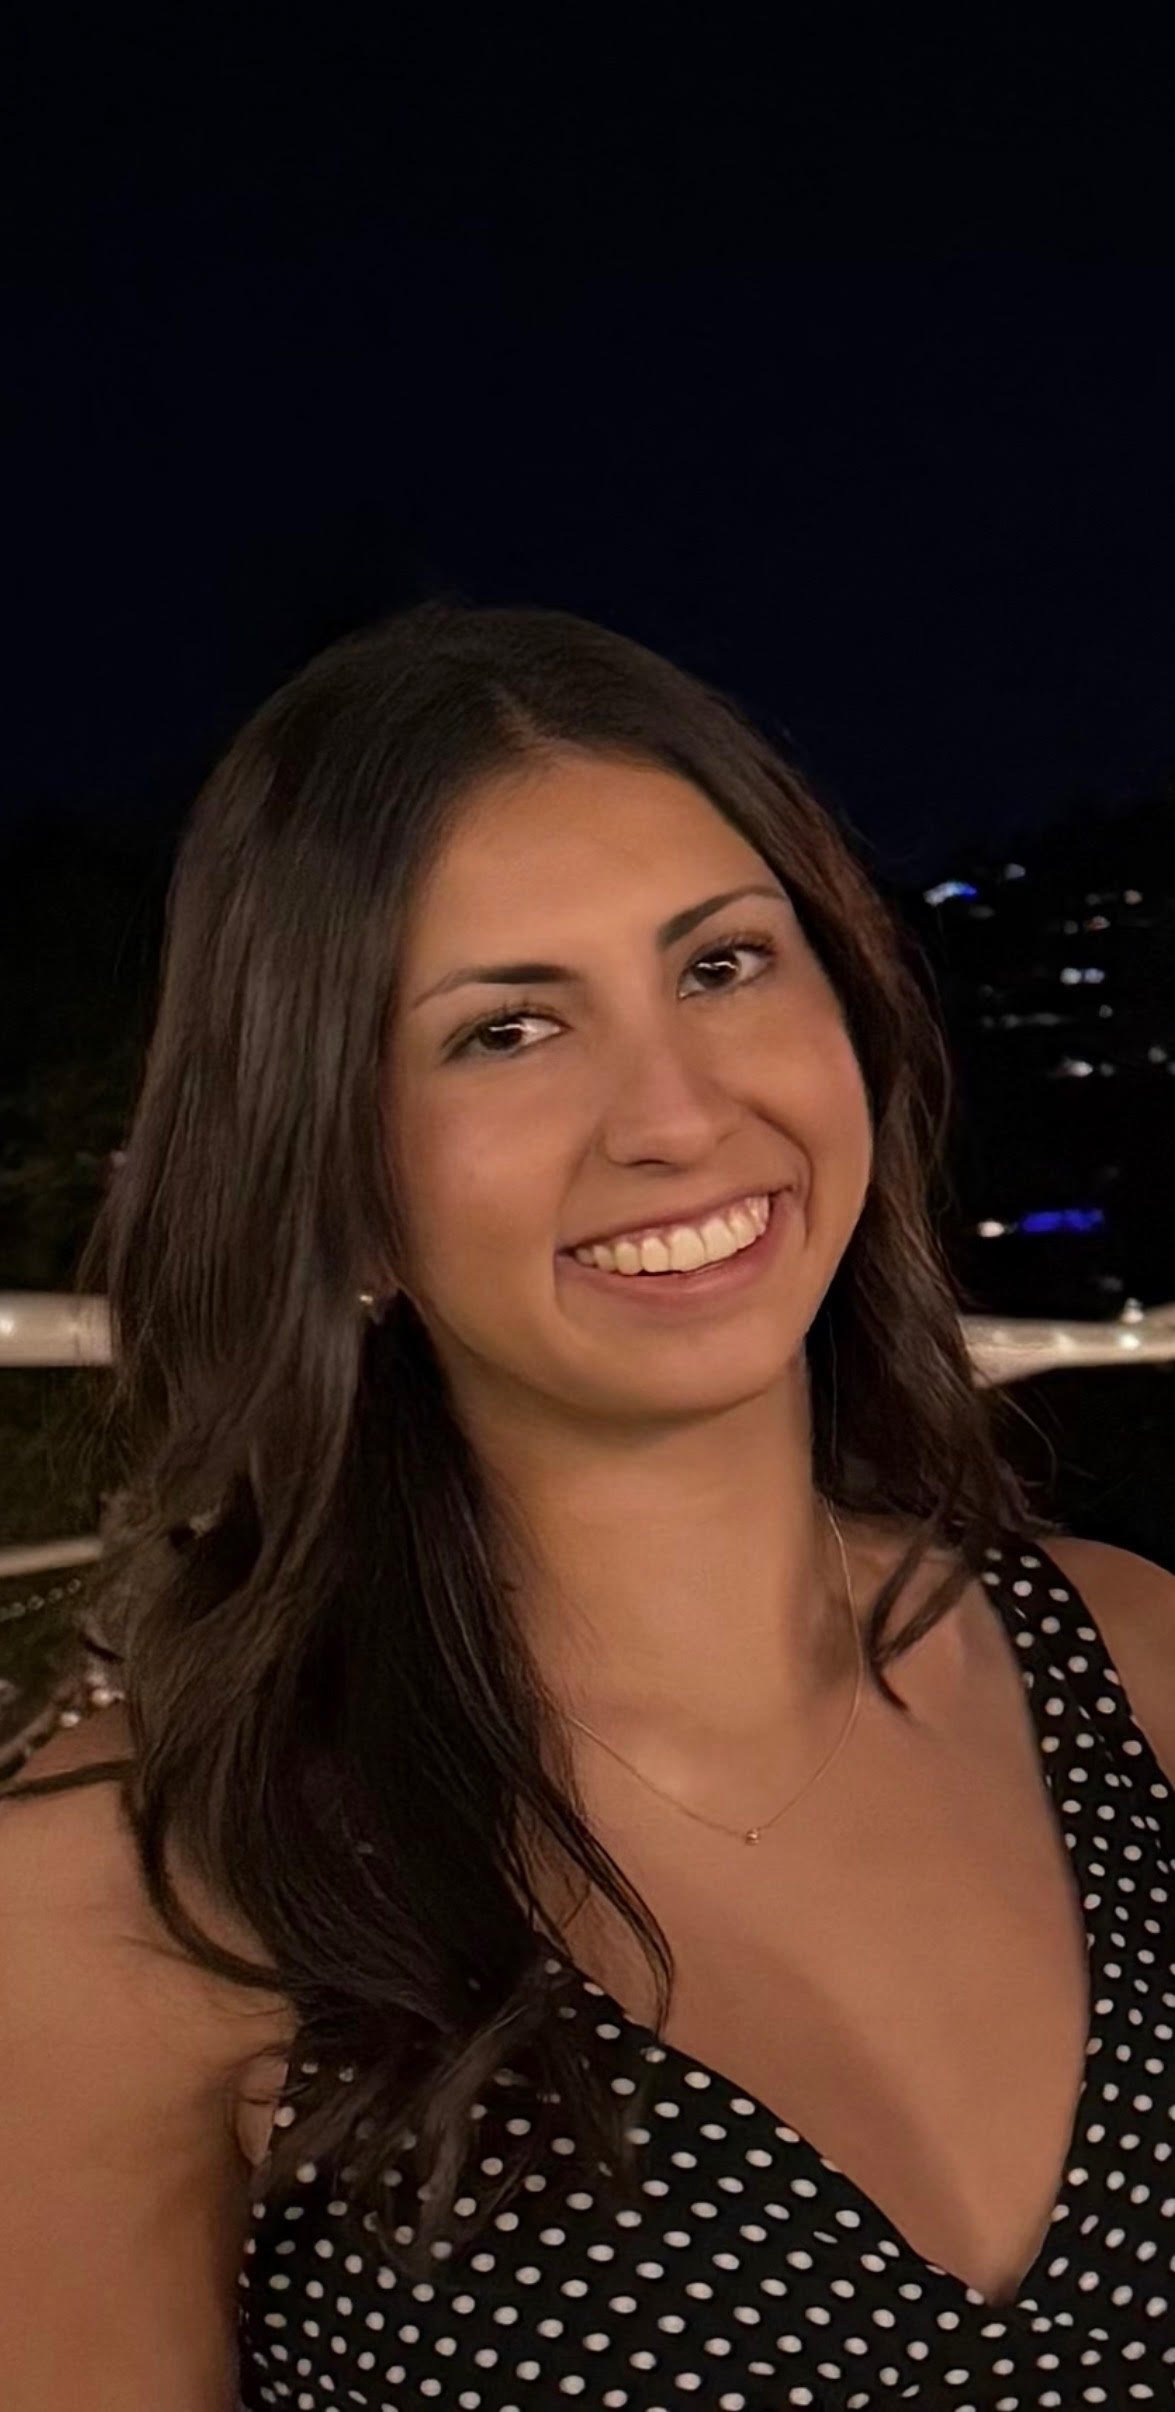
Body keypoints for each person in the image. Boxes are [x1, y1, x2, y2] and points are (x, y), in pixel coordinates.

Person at [2, 599, 1172, 2410]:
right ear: (339, 1179)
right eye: (507, 1031)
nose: (676, 1116)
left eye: (723, 965)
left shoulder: (1145, 1670)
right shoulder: (131, 1899)